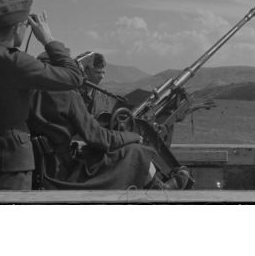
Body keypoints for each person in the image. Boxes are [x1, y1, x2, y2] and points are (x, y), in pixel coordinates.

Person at [0, 0, 84, 190]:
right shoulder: (16, 63)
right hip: (10, 166)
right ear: (17, 28)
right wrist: (48, 39)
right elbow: (74, 77)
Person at [28, 71, 191, 190]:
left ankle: (157, 187)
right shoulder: (68, 96)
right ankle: (159, 189)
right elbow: (99, 138)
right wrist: (133, 136)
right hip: (65, 172)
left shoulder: (30, 94)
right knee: (135, 151)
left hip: (45, 168)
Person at [77, 52, 116, 119]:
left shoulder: (105, 98)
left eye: (103, 72)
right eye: (97, 72)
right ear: (85, 71)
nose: (102, 76)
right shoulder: (73, 93)